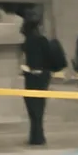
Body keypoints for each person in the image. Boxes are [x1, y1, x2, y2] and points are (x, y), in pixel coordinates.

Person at [20, 15, 53, 146]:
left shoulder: (26, 43)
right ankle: (38, 135)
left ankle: (35, 135)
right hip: (43, 75)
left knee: (32, 106)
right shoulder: (42, 40)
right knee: (39, 106)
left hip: (30, 76)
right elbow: (49, 56)